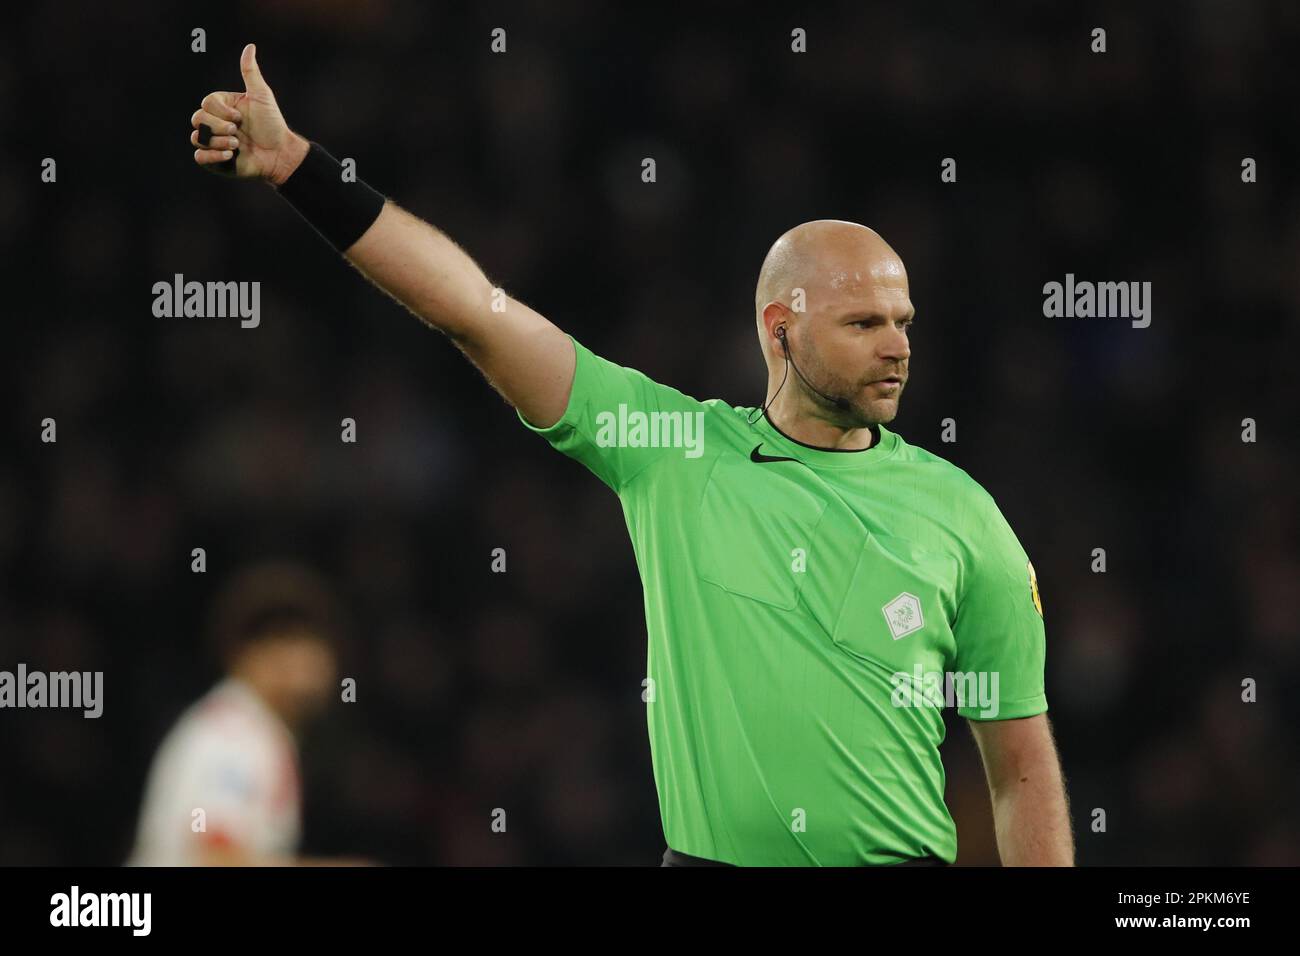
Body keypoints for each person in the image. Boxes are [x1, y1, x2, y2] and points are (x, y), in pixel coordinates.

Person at [187, 44, 1074, 866]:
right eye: (864, 323)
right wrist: (298, 167)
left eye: (903, 323)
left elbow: (1021, 765)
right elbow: (472, 308)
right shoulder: (674, 451)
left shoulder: (962, 512)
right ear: (780, 328)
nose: (897, 345)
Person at [128, 561, 354, 866]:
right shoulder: (233, 736)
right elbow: (214, 859)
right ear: (240, 655)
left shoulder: (257, 730)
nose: (298, 661)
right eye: (277, 640)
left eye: (307, 640)